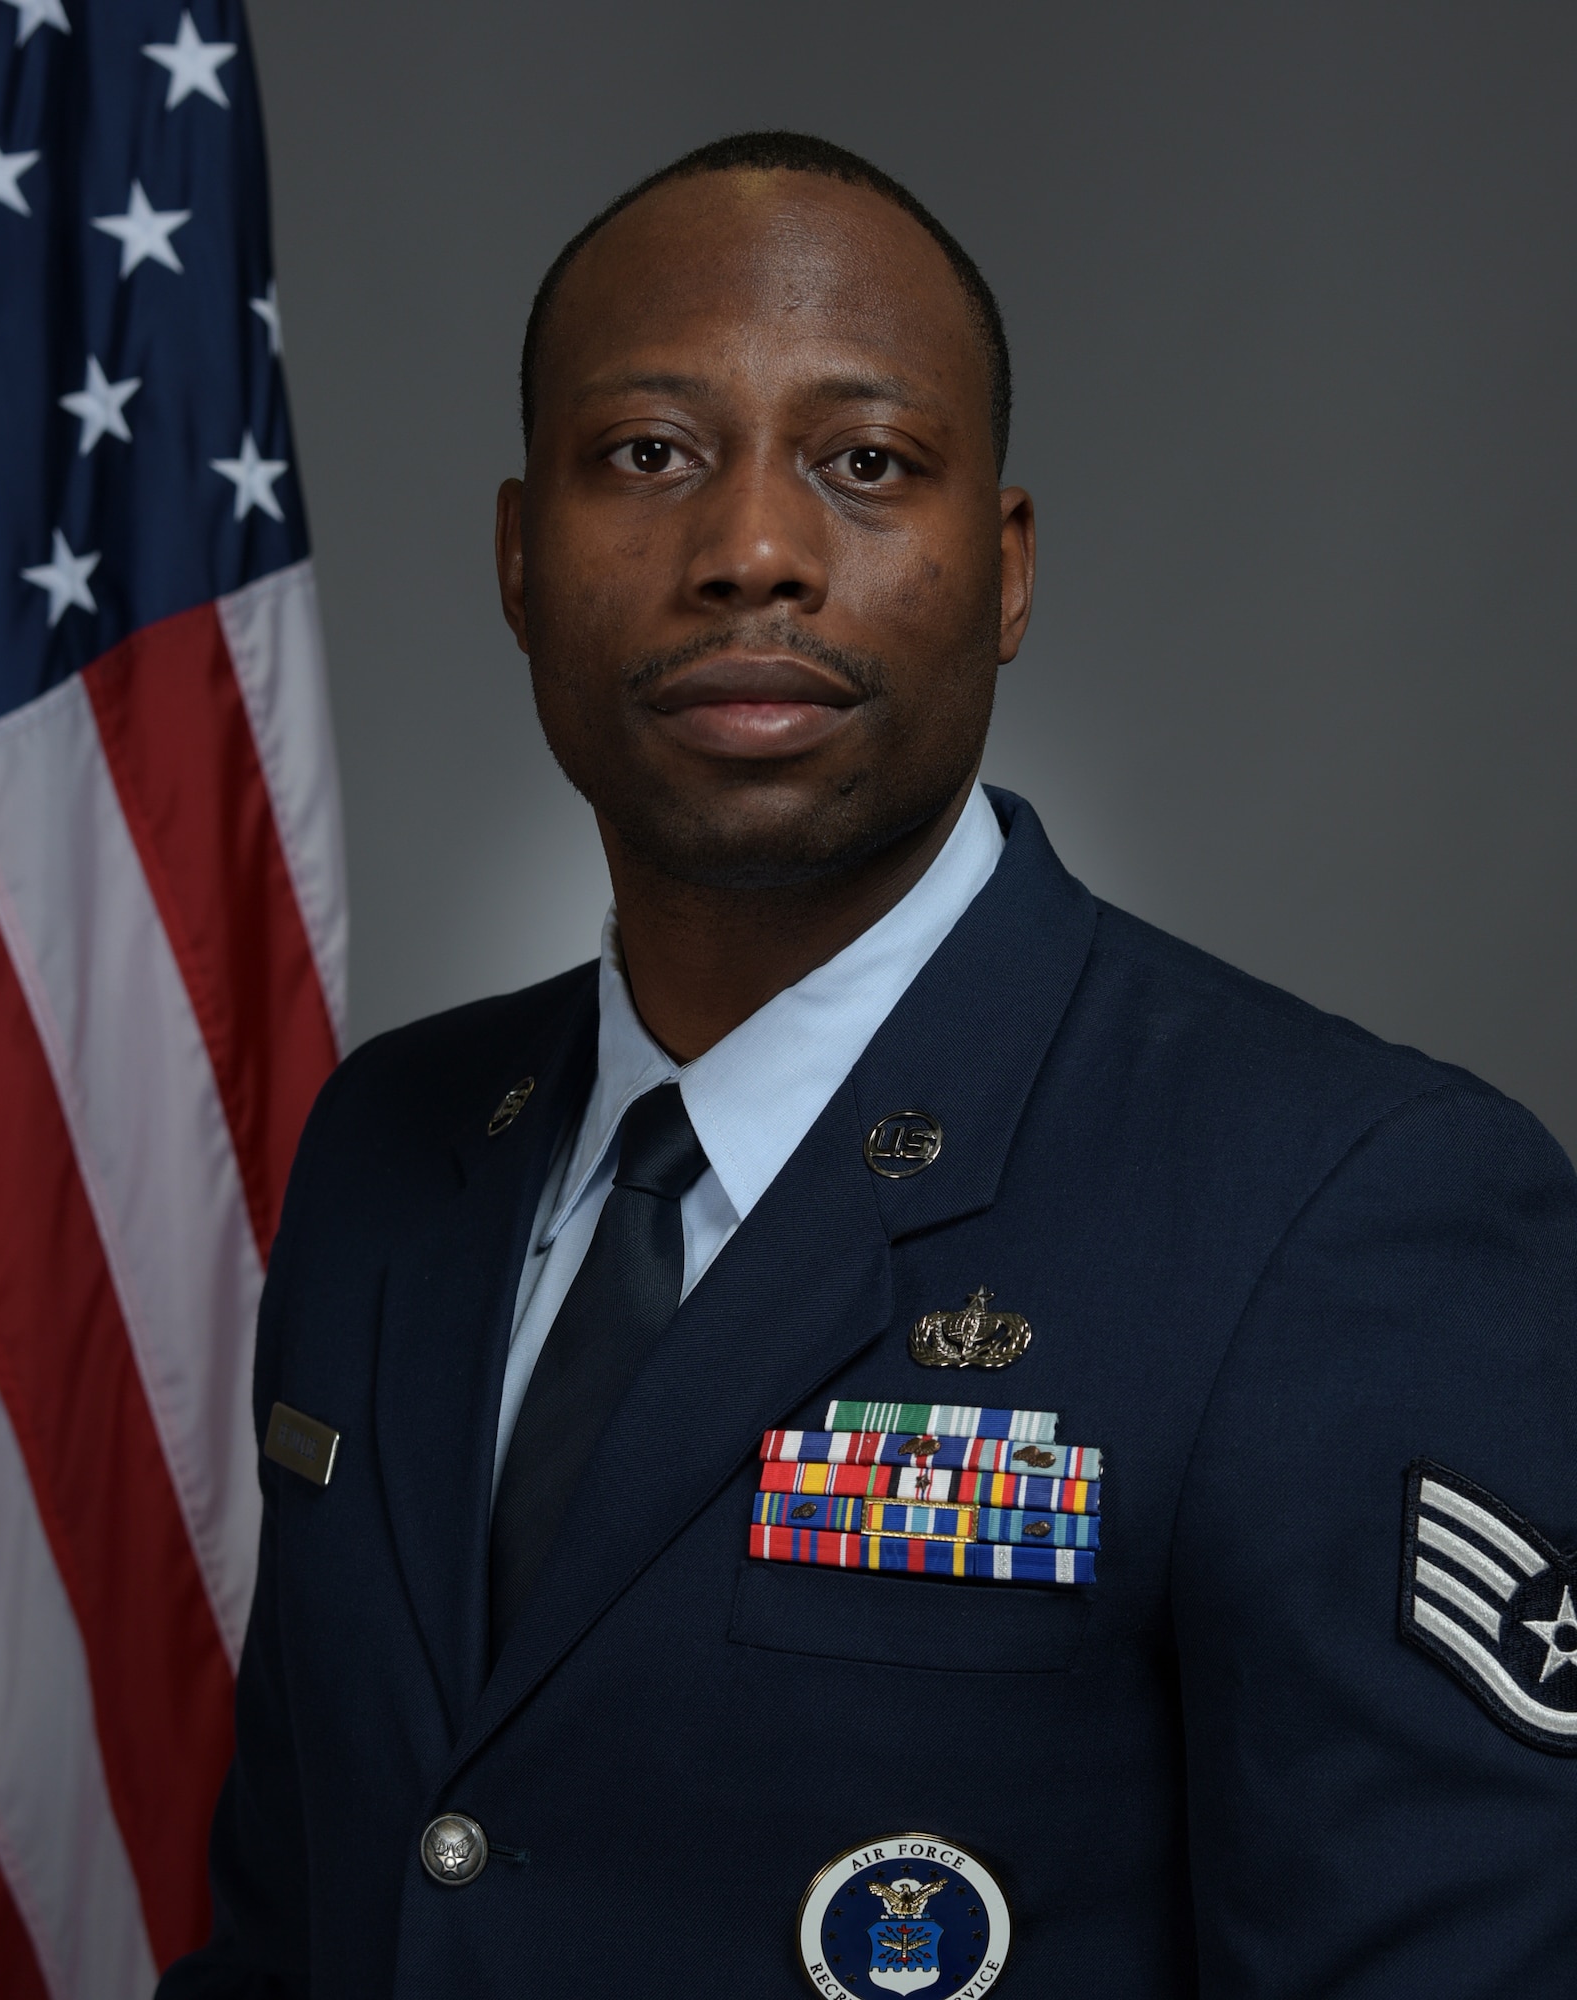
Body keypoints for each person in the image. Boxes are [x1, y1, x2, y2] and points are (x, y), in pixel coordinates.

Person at [159, 131, 1577, 2000]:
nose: (750, 549)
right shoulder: (388, 1152)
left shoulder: (1344, 1212)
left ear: (1003, 572)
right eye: (647, 455)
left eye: (866, 464)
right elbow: (302, 1924)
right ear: (519, 558)